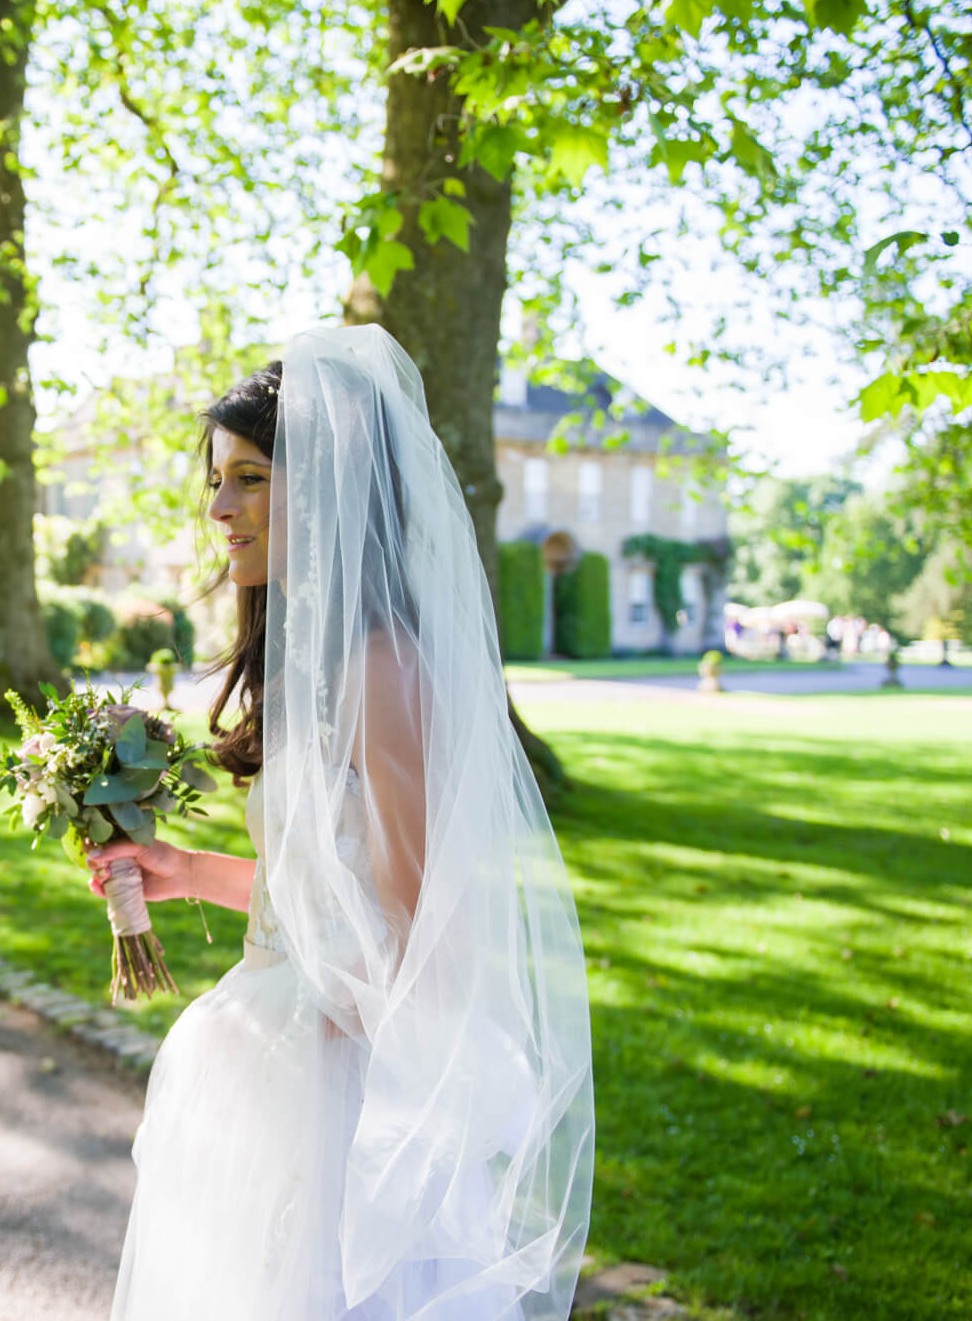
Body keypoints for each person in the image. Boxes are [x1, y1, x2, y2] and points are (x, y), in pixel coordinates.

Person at [83, 326, 594, 1321]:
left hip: (332, 1090)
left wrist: (333, 1047)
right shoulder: (312, 668)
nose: (219, 508)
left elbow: (424, 920)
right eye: (215, 481)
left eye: (249, 478)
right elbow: (318, 894)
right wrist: (181, 866)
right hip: (265, 1050)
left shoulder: (380, 670)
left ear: (320, 491)